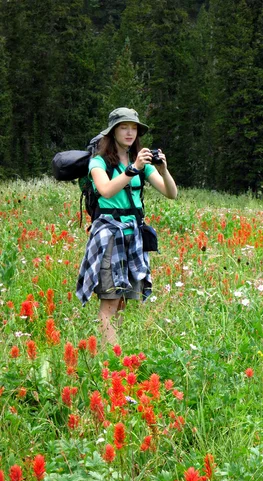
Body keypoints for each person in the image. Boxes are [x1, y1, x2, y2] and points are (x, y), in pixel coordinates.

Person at [76, 107, 177, 345]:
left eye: (134, 128)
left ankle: (112, 352)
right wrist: (134, 169)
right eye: (124, 127)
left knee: (121, 302)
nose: (130, 132)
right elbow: (107, 190)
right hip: (109, 236)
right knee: (109, 302)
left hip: (134, 236)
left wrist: (163, 169)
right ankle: (112, 358)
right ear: (113, 132)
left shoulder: (141, 162)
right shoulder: (98, 162)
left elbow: (171, 193)